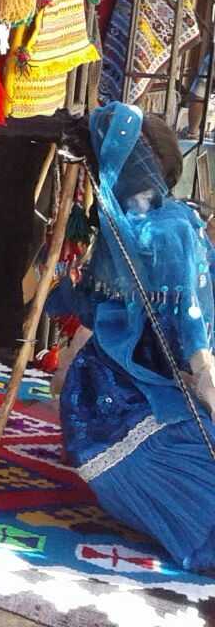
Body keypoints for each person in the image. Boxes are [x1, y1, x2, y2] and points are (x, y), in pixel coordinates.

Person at [56, 102, 215, 572]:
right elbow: (196, 344)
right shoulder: (156, 230)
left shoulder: (147, 231)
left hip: (92, 417)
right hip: (132, 411)